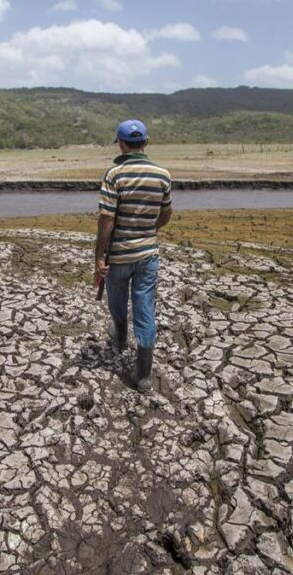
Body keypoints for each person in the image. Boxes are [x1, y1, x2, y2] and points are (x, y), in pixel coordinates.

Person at [94, 119, 172, 392]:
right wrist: (149, 231)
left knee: (117, 300)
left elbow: (106, 219)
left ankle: (120, 340)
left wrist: (99, 255)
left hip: (119, 256)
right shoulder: (162, 175)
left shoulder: (114, 175)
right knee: (145, 307)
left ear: (121, 144)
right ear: (146, 142)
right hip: (147, 255)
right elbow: (166, 214)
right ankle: (143, 374)